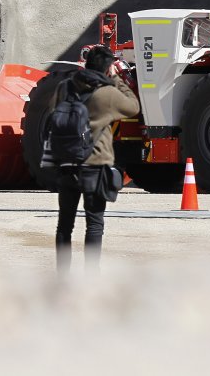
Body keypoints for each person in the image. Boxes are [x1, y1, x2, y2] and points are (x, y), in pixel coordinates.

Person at [53, 44, 140, 273]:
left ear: (87, 63)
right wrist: (117, 80)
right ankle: (91, 276)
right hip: (94, 164)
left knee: (65, 224)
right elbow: (133, 107)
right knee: (94, 223)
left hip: (67, 163)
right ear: (108, 67)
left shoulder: (65, 87)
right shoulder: (108, 94)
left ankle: (62, 276)